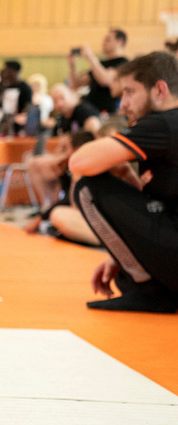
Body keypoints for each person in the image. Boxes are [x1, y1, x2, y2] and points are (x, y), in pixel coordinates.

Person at [70, 51, 178, 312]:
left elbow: (79, 162)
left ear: (160, 90)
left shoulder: (163, 123)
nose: (123, 104)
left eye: (130, 92)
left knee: (87, 188)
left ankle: (150, 290)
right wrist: (120, 252)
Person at [69, 28, 128, 115]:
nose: (103, 42)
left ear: (119, 42)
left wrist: (91, 57)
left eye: (108, 39)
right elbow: (75, 84)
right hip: (89, 110)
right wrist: (72, 66)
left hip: (105, 112)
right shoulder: (100, 64)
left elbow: (105, 80)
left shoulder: (123, 63)